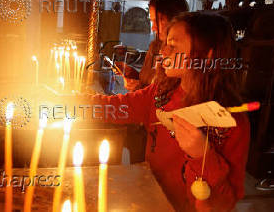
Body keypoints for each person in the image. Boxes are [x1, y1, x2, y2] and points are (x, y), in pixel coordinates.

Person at [88, 12, 250, 211]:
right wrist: (68, 102)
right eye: (165, 42)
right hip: (150, 202)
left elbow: (222, 205)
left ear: (207, 55)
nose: (162, 51)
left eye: (173, 45)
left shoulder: (231, 122)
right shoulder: (160, 94)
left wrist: (202, 155)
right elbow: (114, 107)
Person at [122, 0, 189, 91]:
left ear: (174, 19)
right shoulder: (155, 47)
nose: (153, 27)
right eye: (152, 21)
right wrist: (131, 74)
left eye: (159, 20)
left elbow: (164, 94)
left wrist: (139, 88)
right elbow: (147, 80)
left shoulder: (183, 53)